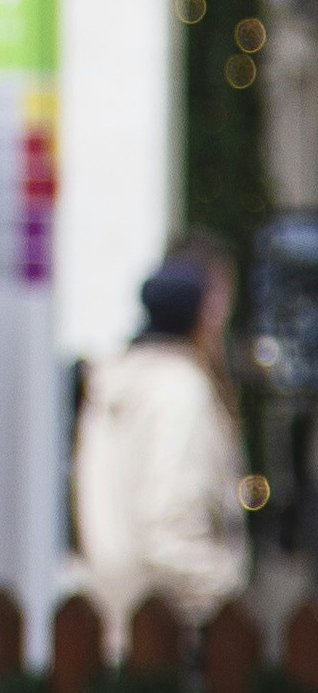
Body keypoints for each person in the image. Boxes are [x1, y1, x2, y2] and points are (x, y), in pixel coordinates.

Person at [72, 233, 247, 639]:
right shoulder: (179, 392)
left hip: (115, 622)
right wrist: (227, 596)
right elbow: (171, 532)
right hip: (174, 634)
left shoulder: (114, 384)